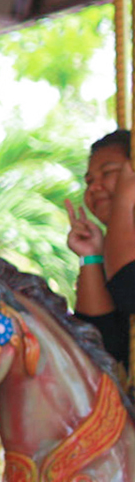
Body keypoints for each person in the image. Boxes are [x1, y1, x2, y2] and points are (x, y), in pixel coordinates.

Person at [69, 128, 133, 369]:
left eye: (107, 173)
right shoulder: (113, 255)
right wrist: (91, 256)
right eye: (89, 181)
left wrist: (125, 197)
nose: (94, 188)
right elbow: (97, 345)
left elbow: (130, 288)